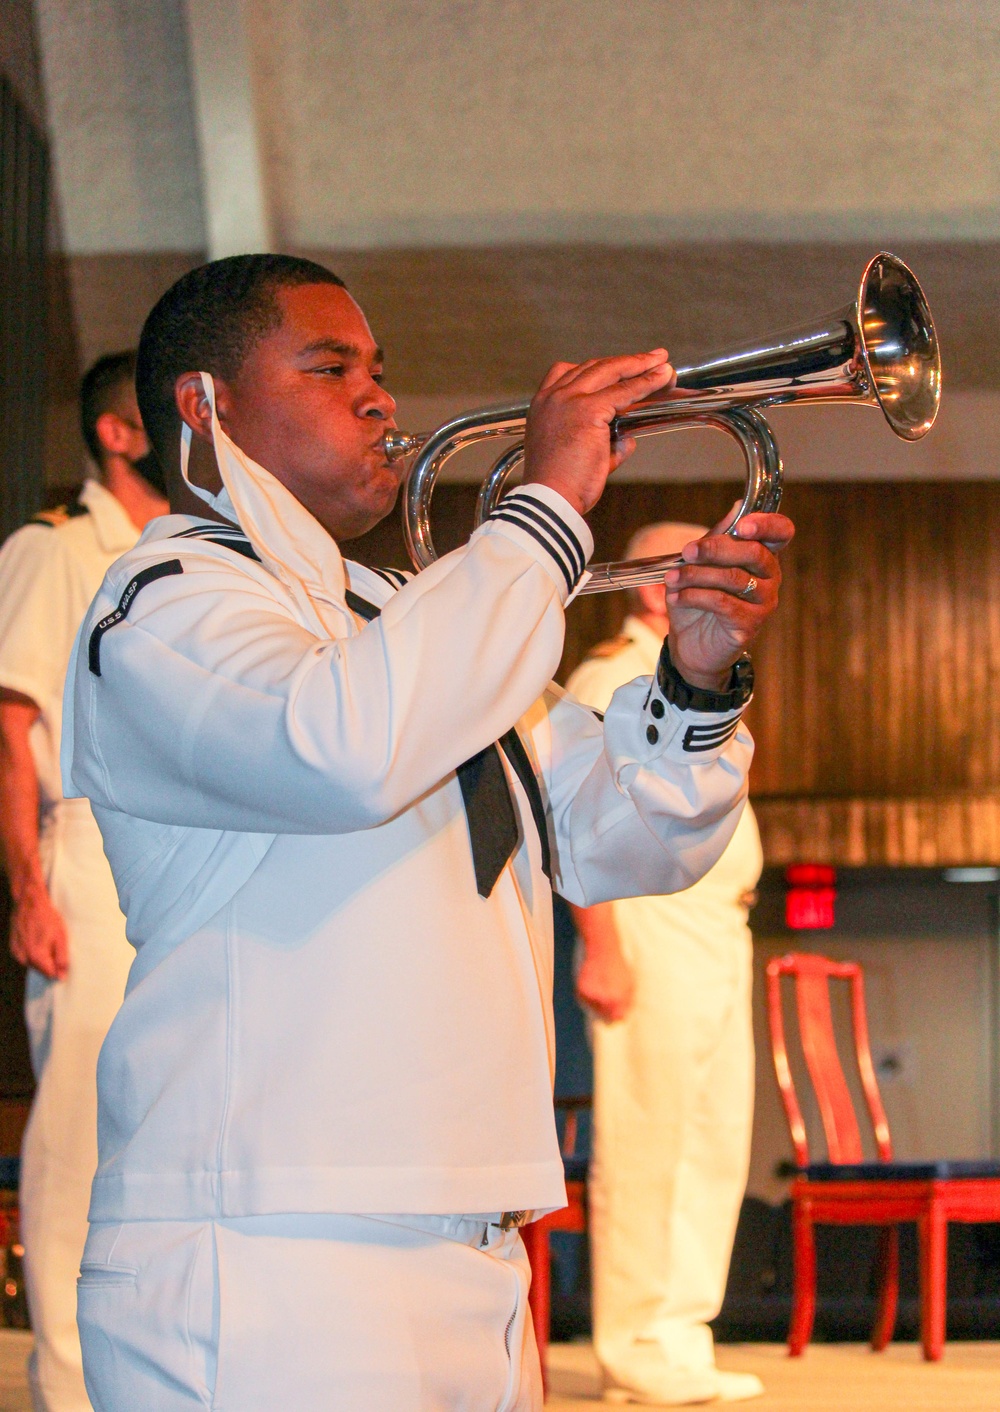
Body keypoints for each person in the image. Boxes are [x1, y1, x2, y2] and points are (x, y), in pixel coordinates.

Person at [61, 254, 793, 1411]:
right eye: (330, 365)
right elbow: (342, 746)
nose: (379, 399)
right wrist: (542, 507)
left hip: (465, 1228)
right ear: (206, 407)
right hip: (267, 1240)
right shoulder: (161, 601)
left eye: (380, 370)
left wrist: (697, 677)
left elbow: (621, 840)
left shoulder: (401, 617)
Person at [0, 351, 168, 1412]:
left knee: (163, 1110)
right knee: (79, 1121)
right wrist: (29, 885)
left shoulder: (185, 550)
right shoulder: (54, 547)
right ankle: (67, 1380)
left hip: (181, 846)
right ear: (117, 430)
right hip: (90, 849)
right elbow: (11, 723)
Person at [568, 522, 764, 1406]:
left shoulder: (702, 672)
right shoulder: (613, 673)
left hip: (717, 927)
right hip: (652, 923)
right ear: (658, 585)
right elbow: (579, 826)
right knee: (649, 1136)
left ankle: (681, 1332)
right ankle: (633, 1345)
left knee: (713, 1136)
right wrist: (600, 946)